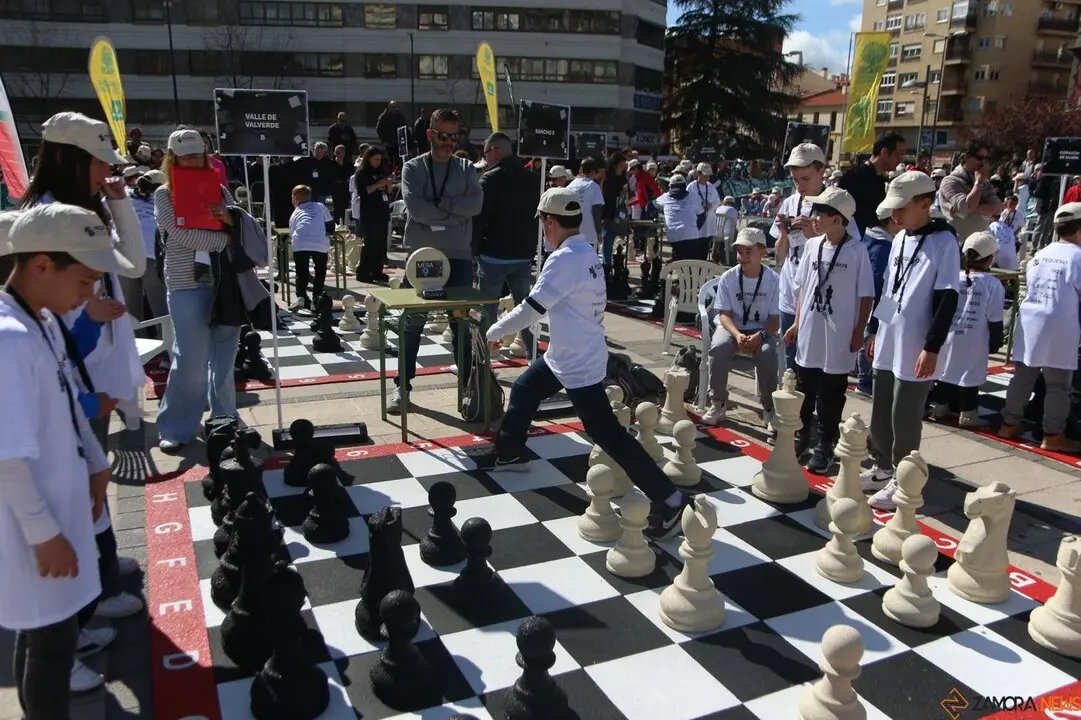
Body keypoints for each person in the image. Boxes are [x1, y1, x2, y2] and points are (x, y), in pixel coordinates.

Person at [482, 187, 694, 539]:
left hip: (577, 361)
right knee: (524, 388)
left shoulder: (565, 259)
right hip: (569, 354)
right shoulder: (585, 252)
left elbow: (534, 307)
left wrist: (495, 330)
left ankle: (671, 499)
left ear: (550, 222)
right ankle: (511, 452)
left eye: (543, 224)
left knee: (607, 432)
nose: (543, 230)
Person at [0, 203, 133, 714]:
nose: (89, 295)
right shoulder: (9, 339)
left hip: (64, 495)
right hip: (33, 518)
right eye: (83, 281)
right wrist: (44, 533)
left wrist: (98, 459)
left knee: (48, 636)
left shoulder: (44, 321)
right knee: (49, 643)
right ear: (40, 264)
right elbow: (7, 456)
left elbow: (68, 398)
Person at [862, 171, 961, 510]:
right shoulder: (901, 238)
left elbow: (948, 297)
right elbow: (890, 288)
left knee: (905, 414)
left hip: (917, 344)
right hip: (891, 337)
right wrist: (877, 328)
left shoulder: (945, 242)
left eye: (902, 207)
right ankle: (883, 466)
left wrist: (932, 347)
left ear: (925, 203)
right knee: (881, 408)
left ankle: (905, 481)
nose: (896, 215)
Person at [154, 129, 240, 451]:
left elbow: (241, 224)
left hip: (223, 284)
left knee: (225, 355)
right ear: (171, 157)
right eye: (185, 154)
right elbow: (179, 236)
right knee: (190, 357)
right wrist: (225, 238)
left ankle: (225, 417)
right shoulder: (164, 193)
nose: (192, 159)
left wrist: (229, 218)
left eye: (197, 154)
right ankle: (176, 425)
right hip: (185, 284)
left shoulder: (219, 188)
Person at [395, 108, 483, 414]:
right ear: (430, 134)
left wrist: (442, 204)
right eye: (443, 136)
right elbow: (416, 211)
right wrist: (455, 212)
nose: (448, 142)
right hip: (422, 256)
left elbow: (476, 204)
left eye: (454, 136)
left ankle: (468, 393)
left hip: (458, 256)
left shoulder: (466, 167)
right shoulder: (413, 168)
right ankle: (401, 388)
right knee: (412, 325)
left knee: (461, 324)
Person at [783, 187, 874, 474]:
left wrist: (859, 331)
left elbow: (866, 295)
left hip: (839, 332)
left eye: (820, 213)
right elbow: (802, 289)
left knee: (832, 391)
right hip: (810, 328)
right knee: (804, 387)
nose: (814, 218)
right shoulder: (812, 245)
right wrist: (797, 323)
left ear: (837, 219)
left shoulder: (858, 251)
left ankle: (825, 442)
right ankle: (802, 435)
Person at [997, 202, 1081, 454]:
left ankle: (1009, 423)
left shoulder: (1041, 254)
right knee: (1058, 385)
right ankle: (1052, 434)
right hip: (1059, 324)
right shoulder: (1078, 257)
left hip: (1030, 321)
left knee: (1022, 378)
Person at [773, 143, 861, 378]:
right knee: (792, 363)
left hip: (824, 300)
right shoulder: (790, 203)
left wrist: (814, 236)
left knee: (820, 366)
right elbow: (779, 257)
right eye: (794, 179)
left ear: (822, 172)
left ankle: (813, 410)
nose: (799, 186)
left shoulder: (838, 204)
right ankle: (792, 411)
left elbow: (851, 252)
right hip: (791, 296)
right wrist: (783, 233)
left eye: (805, 178)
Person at [700, 227, 780, 426]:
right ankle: (718, 402)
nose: (742, 257)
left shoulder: (774, 280)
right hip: (731, 328)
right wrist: (736, 335)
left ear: (762, 252)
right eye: (739, 252)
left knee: (768, 354)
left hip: (761, 329)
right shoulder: (729, 277)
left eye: (748, 252)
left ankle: (769, 407)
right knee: (718, 348)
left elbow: (775, 320)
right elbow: (724, 314)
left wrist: (759, 336)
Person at [472, 132, 541, 359]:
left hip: (493, 254)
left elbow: (479, 219)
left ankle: (485, 358)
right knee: (526, 308)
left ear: (495, 150)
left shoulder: (489, 180)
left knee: (488, 309)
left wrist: (473, 250)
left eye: (486, 154)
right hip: (522, 254)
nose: (485, 159)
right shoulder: (533, 179)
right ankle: (533, 355)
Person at [932, 231, 1004, 428]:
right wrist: (996, 341)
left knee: (946, 370)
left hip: (949, 335)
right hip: (975, 339)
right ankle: (967, 415)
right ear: (990, 259)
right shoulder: (992, 284)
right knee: (969, 376)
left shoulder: (953, 278)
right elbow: (995, 318)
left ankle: (940, 407)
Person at [855, 206, 901, 396]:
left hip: (875, 299)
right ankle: (864, 379)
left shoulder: (868, 239)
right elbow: (879, 280)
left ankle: (863, 375)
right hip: (881, 299)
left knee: (871, 335)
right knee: (872, 336)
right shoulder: (884, 246)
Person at [838, 131, 906, 235]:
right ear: (884, 152)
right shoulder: (855, 177)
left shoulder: (879, 179)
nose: (901, 160)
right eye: (899, 155)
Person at [937, 140, 1003, 241]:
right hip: (959, 241)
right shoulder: (950, 181)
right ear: (966, 157)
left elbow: (998, 208)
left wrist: (975, 208)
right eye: (980, 158)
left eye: (986, 158)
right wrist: (978, 183)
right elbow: (967, 206)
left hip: (982, 242)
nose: (983, 163)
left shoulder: (983, 181)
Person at [125, 170, 168, 320]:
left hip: (125, 253)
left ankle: (135, 342)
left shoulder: (122, 194)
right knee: (160, 306)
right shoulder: (164, 198)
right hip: (152, 254)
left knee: (130, 310)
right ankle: (165, 341)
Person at [288, 185, 334, 312]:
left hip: (300, 242)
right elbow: (331, 226)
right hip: (319, 243)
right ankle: (317, 297)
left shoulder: (295, 212)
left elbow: (292, 232)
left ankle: (301, 296)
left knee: (301, 271)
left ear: (295, 198)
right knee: (320, 271)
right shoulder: (320, 206)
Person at [353, 146, 394, 283]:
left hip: (382, 211)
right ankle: (364, 272)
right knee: (370, 243)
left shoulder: (382, 171)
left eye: (380, 160)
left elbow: (388, 194)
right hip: (370, 212)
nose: (378, 162)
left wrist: (388, 187)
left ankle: (377, 271)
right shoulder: (362, 173)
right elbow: (363, 192)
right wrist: (379, 184)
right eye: (375, 159)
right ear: (368, 158)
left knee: (380, 244)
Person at [567, 157, 605, 250]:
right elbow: (597, 211)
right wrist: (599, 232)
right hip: (589, 235)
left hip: (571, 234)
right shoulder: (593, 186)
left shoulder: (571, 185)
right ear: (592, 172)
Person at [691, 162, 720, 260]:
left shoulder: (711, 187)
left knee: (705, 247)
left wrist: (711, 205)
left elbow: (717, 201)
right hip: (696, 222)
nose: (707, 177)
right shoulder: (692, 187)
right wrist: (699, 207)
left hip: (708, 222)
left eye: (708, 175)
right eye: (705, 175)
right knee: (695, 248)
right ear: (698, 174)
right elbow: (688, 202)